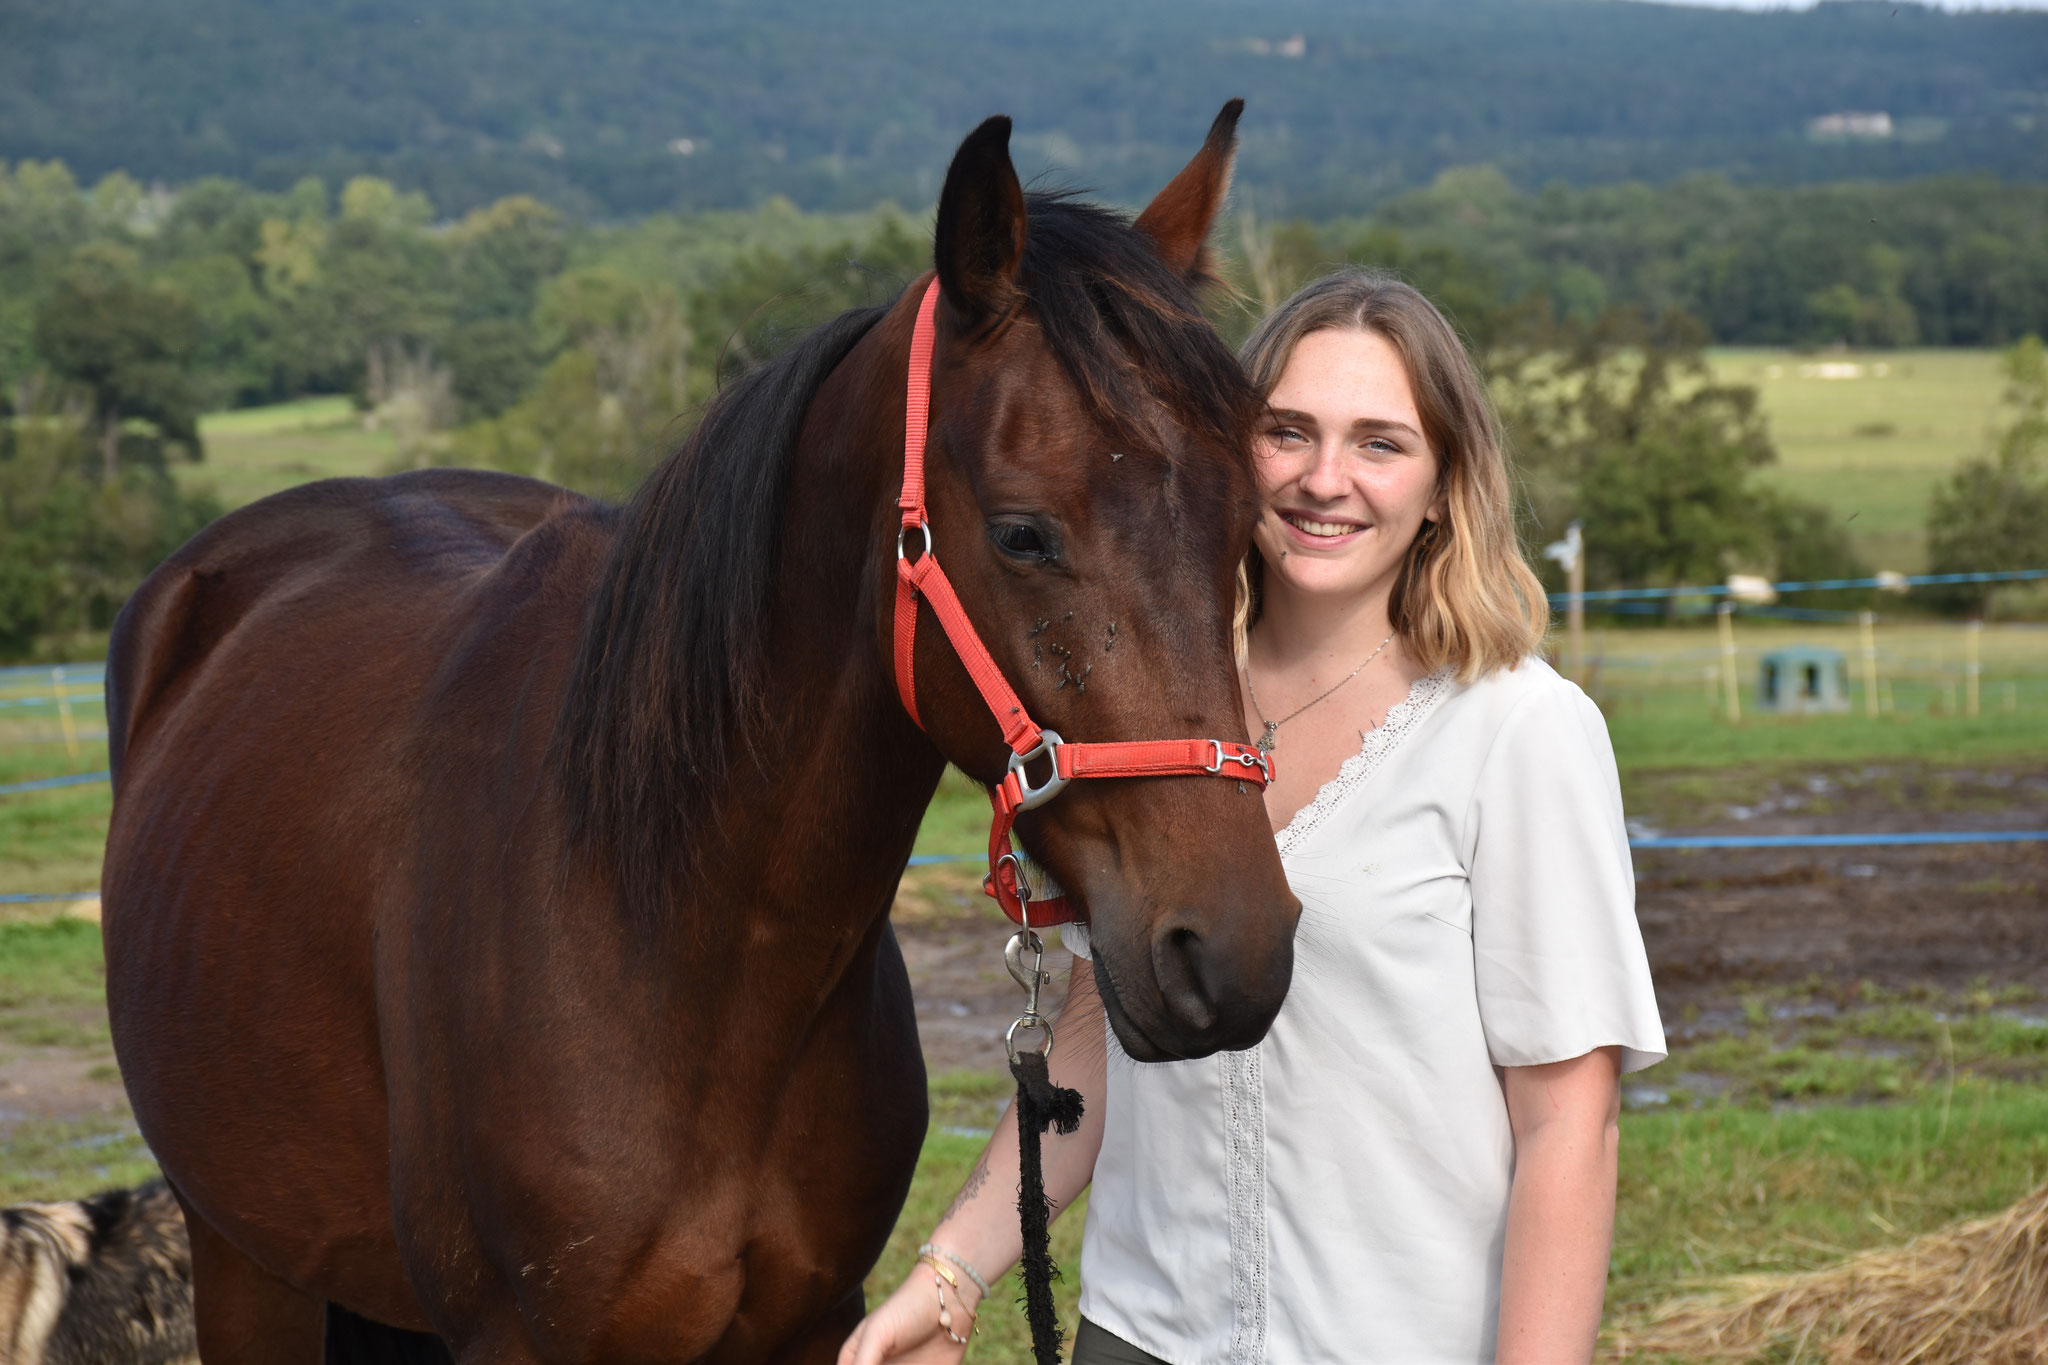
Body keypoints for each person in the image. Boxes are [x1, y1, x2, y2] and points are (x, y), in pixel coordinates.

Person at [840, 269, 1666, 1365]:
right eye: (1287, 432)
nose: (1326, 480)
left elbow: (1568, 1125)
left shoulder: (1518, 733)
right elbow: (1096, 1037)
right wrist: (950, 1273)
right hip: (1137, 1339)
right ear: (1228, 452)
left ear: (1441, 484)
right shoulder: (1145, 717)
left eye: (1379, 443)